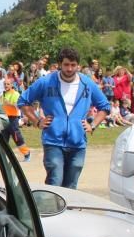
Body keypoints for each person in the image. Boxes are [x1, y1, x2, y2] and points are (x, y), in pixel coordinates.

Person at [17, 47, 110, 189]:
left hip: (78, 143)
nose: (70, 68)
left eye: (73, 65)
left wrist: (93, 124)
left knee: (71, 186)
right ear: (60, 64)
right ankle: (51, 210)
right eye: (66, 64)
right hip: (53, 141)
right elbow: (23, 101)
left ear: (78, 65)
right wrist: (37, 121)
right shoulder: (46, 82)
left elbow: (104, 106)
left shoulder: (87, 84)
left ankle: (68, 210)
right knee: (55, 180)